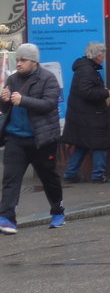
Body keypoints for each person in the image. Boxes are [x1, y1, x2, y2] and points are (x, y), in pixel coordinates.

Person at [0, 44, 66, 233]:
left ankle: (57, 211)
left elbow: (49, 104)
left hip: (41, 139)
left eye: (23, 60)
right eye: (17, 60)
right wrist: (3, 100)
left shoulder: (48, 79)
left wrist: (23, 100)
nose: (19, 63)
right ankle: (7, 218)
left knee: (48, 178)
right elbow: (6, 109)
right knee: (11, 179)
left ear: (34, 62)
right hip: (15, 138)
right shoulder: (12, 79)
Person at [62, 42, 110, 184]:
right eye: (103, 54)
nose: (104, 57)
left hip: (82, 115)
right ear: (98, 56)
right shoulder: (87, 70)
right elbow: (86, 91)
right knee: (100, 143)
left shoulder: (84, 68)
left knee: (82, 144)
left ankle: (70, 174)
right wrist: (106, 92)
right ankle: (98, 175)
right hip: (90, 115)